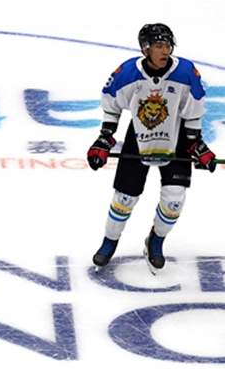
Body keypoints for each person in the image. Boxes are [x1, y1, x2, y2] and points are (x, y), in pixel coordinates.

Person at [87, 23, 217, 273]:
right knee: (124, 199)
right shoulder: (127, 73)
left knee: (175, 201)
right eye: (159, 45)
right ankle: (109, 241)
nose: (165, 50)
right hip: (139, 137)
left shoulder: (186, 72)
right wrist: (105, 138)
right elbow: (112, 106)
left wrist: (195, 143)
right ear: (145, 49)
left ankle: (155, 240)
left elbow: (193, 111)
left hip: (176, 140)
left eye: (168, 45)